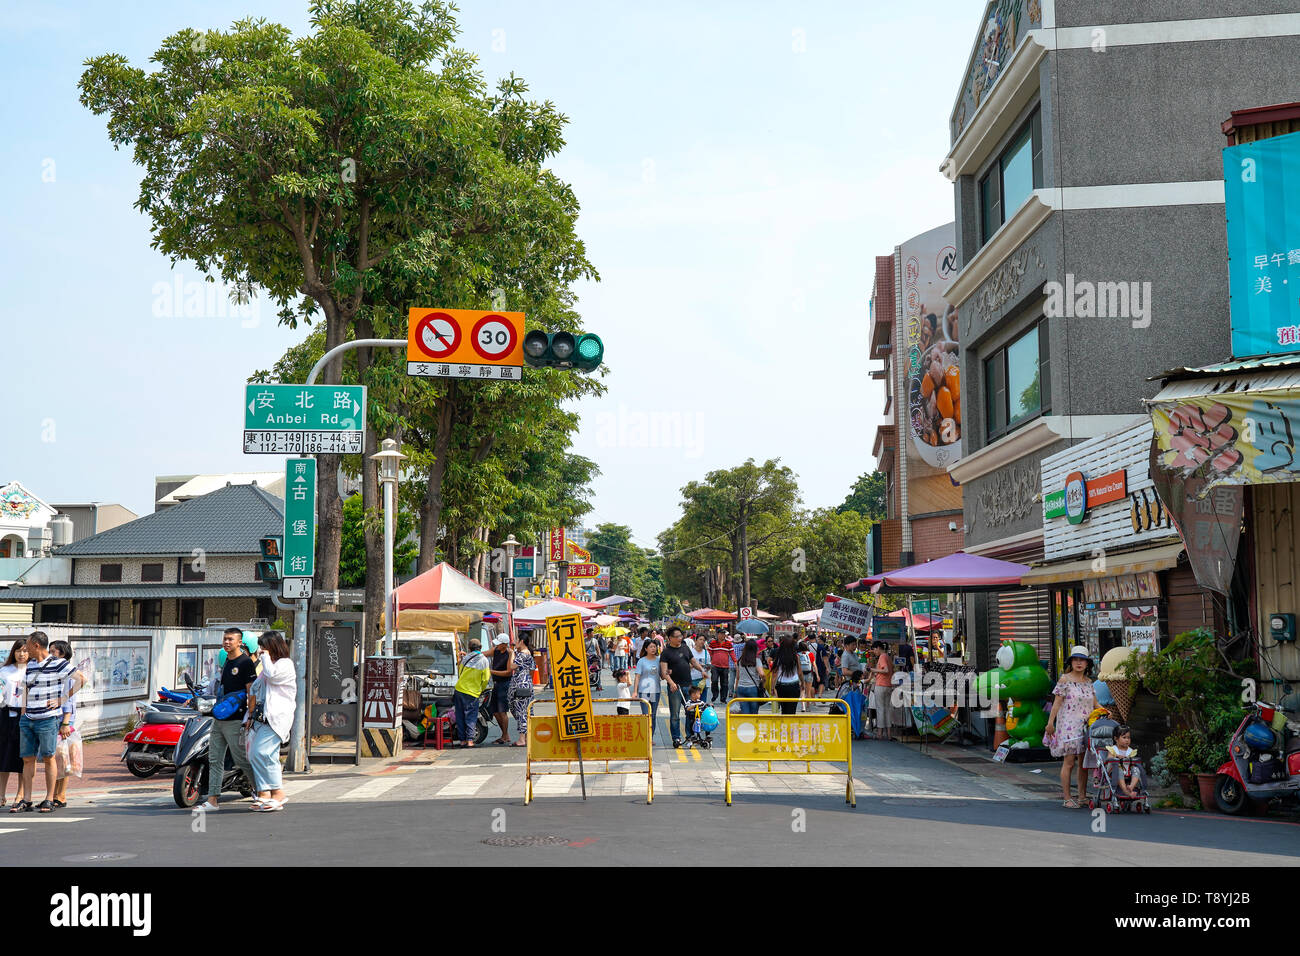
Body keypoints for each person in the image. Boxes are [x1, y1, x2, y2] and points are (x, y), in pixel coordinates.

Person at [15, 632, 78, 814]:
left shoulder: (59, 664)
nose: (25, 649)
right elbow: (26, 688)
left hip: (48, 718)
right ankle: (26, 799)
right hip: (28, 719)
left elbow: (81, 679)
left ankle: (49, 799)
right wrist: (23, 712)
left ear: (36, 645)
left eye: (27, 645)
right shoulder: (30, 665)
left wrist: (61, 700)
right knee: (27, 759)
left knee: (49, 757)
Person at [203, 627, 258, 811]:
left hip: (235, 719)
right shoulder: (226, 661)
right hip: (219, 718)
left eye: (230, 639)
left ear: (240, 642)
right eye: (225, 639)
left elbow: (252, 691)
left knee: (241, 759)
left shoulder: (245, 663)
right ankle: (212, 800)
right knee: (214, 758)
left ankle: (260, 790)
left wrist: (250, 715)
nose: (226, 642)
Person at [246, 632, 296, 812]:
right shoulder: (268, 665)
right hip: (260, 718)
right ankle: (264, 793)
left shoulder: (285, 664)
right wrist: (249, 717)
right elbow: (256, 690)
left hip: (276, 718)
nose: (261, 651)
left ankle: (278, 793)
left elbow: (272, 676)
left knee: (264, 752)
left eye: (264, 647)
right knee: (254, 754)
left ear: (273, 646)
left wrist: (265, 658)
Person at [1043, 646, 1097, 809]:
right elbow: (1057, 703)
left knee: (1083, 763)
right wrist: (1050, 723)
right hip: (1068, 726)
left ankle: (1081, 797)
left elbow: (1095, 703)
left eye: (1082, 660)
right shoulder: (1064, 680)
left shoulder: (1089, 682)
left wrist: (1105, 712)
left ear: (1087, 664)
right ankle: (1067, 798)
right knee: (1069, 762)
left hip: (1085, 726)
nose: (1079, 663)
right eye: (1076, 660)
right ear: (1071, 662)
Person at [48, 641, 86, 810]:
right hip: (56, 718)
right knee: (57, 757)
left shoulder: (68, 672)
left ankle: (61, 795)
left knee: (63, 759)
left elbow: (68, 700)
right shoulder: (55, 671)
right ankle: (55, 793)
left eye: (53, 652)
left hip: (64, 720)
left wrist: (65, 723)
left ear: (62, 654)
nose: (50, 654)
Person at [659, 627, 706, 747]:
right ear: (670, 638)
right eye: (677, 636)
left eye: (681, 636)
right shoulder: (666, 652)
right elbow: (664, 672)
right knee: (675, 715)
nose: (680, 638)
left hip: (688, 685)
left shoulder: (685, 648)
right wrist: (671, 683)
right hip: (675, 688)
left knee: (691, 712)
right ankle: (676, 738)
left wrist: (702, 670)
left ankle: (690, 736)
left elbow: (693, 662)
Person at [0, 639, 28, 807]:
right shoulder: (4, 670)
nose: (22, 654)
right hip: (4, 714)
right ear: (13, 652)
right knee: (3, 756)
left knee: (23, 757)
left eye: (25, 651)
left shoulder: (33, 670)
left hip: (25, 715)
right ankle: (1, 794)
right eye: (18, 650)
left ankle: (20, 794)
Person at [453, 637, 489, 748]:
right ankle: (470, 740)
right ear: (481, 647)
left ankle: (462, 740)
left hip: (459, 690)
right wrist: (481, 689)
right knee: (471, 716)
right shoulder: (484, 660)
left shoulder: (465, 658)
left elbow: (460, 672)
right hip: (472, 692)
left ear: (469, 648)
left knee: (459, 716)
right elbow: (486, 678)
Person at [487, 634, 515, 745]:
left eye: (499, 644)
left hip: (505, 684)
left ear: (504, 645)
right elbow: (483, 654)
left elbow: (509, 672)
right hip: (496, 684)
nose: (496, 645)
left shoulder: (509, 653)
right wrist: (471, 654)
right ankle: (505, 734)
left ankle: (505, 735)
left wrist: (492, 672)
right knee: (495, 711)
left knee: (502, 711)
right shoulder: (495, 650)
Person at [508, 635, 534, 747]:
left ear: (521, 641)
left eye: (517, 640)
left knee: (520, 711)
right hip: (527, 683)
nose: (515, 642)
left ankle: (522, 739)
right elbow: (532, 669)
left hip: (520, 685)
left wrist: (512, 653)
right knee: (526, 711)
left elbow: (511, 666)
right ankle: (527, 737)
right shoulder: (529, 654)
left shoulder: (522, 654)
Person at [635, 641, 663, 739]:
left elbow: (662, 676)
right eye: (651, 647)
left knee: (653, 715)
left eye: (654, 647)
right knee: (646, 715)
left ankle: (650, 737)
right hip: (644, 692)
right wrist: (635, 691)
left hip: (655, 691)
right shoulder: (641, 661)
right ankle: (645, 737)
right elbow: (637, 676)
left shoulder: (659, 660)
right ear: (646, 649)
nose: (653, 649)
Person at [1107, 726, 1145, 799]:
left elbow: (1133, 762)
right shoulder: (1113, 749)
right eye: (1124, 738)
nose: (1127, 740)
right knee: (1119, 771)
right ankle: (1126, 791)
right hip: (1114, 771)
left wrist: (1130, 759)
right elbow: (1108, 758)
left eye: (1128, 738)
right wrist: (1116, 756)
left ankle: (1131, 786)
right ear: (1116, 739)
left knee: (1137, 770)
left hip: (1127, 770)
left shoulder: (1130, 751)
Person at [769, 637, 803, 716]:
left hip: (781, 686)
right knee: (792, 710)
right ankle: (790, 727)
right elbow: (800, 672)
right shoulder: (796, 657)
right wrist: (803, 684)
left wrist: (772, 688)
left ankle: (784, 727)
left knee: (784, 710)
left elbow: (774, 673)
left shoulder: (779, 657)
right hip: (794, 686)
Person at [731, 640, 767, 716]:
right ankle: (753, 727)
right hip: (752, 688)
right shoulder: (756, 660)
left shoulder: (740, 661)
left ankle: (746, 727)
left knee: (745, 713)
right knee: (753, 713)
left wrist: (735, 691)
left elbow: (737, 677)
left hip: (741, 688)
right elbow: (762, 674)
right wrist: (764, 681)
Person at [869, 641, 895, 740]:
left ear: (878, 648)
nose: (874, 651)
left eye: (874, 649)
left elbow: (886, 670)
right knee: (887, 710)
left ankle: (879, 734)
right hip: (888, 685)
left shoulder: (882, 656)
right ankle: (889, 734)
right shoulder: (888, 657)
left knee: (880, 709)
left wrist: (873, 670)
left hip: (881, 685)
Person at [707, 630, 733, 704]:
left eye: (723, 634)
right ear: (717, 635)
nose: (722, 635)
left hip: (725, 666)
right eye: (721, 634)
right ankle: (715, 695)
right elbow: (709, 653)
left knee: (724, 683)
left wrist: (735, 662)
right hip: (715, 666)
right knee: (714, 681)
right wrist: (709, 662)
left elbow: (732, 653)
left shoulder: (728, 643)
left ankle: (723, 698)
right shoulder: (713, 643)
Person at [691, 634, 712, 703]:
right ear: (695, 641)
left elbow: (709, 664)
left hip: (703, 680)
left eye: (703, 640)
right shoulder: (691, 652)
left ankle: (701, 714)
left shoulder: (706, 653)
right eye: (700, 639)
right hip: (693, 679)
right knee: (693, 702)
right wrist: (695, 665)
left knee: (702, 702)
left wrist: (707, 666)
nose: (702, 641)